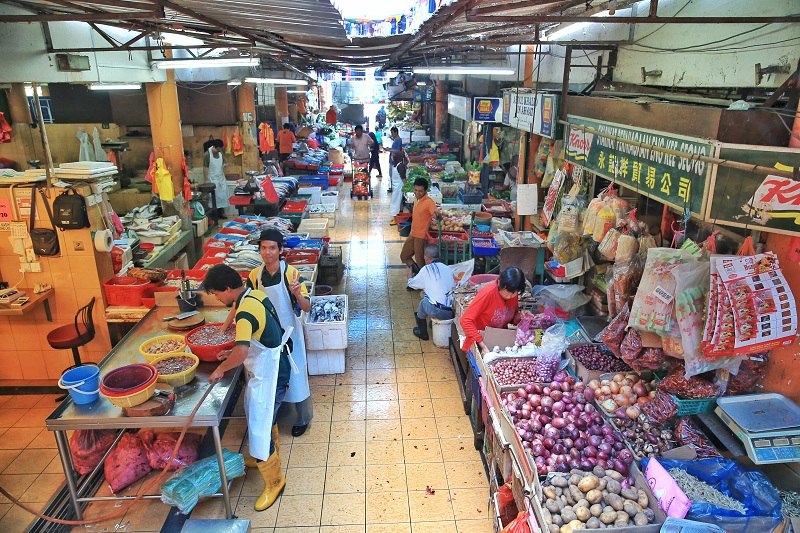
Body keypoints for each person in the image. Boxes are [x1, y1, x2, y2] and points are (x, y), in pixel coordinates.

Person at [205, 264, 292, 512]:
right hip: (275, 366)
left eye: (216, 293)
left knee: (260, 425)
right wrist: (229, 352)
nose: (218, 298)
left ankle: (275, 481)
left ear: (228, 289)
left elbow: (243, 350)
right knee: (266, 418)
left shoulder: (245, 313)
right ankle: (264, 454)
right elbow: (255, 337)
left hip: (270, 376)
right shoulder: (254, 294)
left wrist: (220, 369)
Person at [221, 228, 313, 437]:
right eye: (264, 248)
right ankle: (274, 418)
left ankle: (300, 418)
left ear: (281, 250)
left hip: (290, 334)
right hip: (265, 336)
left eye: (272, 248)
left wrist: (297, 293)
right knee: (270, 377)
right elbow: (240, 301)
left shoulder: (291, 274)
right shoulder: (254, 276)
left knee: (296, 379)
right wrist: (225, 327)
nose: (268, 252)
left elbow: (307, 308)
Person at [460, 267, 530, 354]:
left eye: (513, 294)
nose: (509, 297)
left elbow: (510, 317)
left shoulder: (513, 293)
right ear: (500, 283)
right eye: (507, 293)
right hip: (479, 340)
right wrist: (482, 345)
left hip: (498, 339)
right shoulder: (487, 293)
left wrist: (519, 316)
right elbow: (465, 320)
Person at [408, 244, 454, 340]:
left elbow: (412, 285)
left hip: (439, 311)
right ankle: (433, 323)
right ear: (439, 255)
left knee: (423, 303)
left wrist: (409, 276)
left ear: (425, 257)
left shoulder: (426, 269)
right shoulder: (448, 268)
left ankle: (422, 333)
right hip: (452, 311)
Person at [401, 177, 440, 274]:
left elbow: (435, 214)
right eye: (415, 190)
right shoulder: (415, 198)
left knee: (420, 261)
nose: (417, 193)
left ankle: (421, 278)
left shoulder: (429, 202)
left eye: (420, 191)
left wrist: (437, 214)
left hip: (421, 237)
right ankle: (418, 274)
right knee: (404, 255)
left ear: (425, 191)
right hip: (412, 233)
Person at [203, 139, 230, 220]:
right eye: (217, 149)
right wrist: (207, 179)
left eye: (220, 149)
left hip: (221, 179)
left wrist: (225, 165)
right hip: (212, 179)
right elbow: (205, 167)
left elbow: (223, 162)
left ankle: (220, 214)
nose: (219, 151)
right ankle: (214, 216)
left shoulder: (220, 153)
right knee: (213, 199)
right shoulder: (207, 155)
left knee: (222, 197)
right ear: (213, 147)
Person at [388, 126, 405, 219]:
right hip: (397, 189)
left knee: (396, 201)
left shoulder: (396, 166)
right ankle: (396, 217)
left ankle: (396, 216)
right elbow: (403, 179)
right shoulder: (399, 166)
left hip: (396, 188)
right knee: (397, 201)